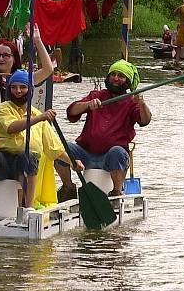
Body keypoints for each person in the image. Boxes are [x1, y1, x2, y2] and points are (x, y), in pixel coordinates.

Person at [0, 70, 79, 222]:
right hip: (4, 162)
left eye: (23, 87)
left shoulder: (37, 114)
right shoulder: (4, 108)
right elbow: (11, 127)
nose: (18, 91)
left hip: (26, 164)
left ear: (30, 90)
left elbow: (55, 149)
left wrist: (73, 163)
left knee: (27, 155)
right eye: (14, 87)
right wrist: (38, 118)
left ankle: (28, 208)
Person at [54, 59, 152, 200]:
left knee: (117, 152)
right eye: (113, 74)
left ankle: (116, 193)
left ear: (127, 81)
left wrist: (142, 103)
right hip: (85, 153)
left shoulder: (132, 101)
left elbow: (145, 120)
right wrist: (88, 105)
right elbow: (72, 111)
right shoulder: (96, 95)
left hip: (111, 157)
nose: (116, 78)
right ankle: (68, 188)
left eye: (121, 76)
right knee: (60, 149)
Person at [0, 25, 53, 107]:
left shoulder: (24, 77)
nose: (1, 58)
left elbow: (48, 69)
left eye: (6, 55)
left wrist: (37, 41)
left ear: (14, 58)